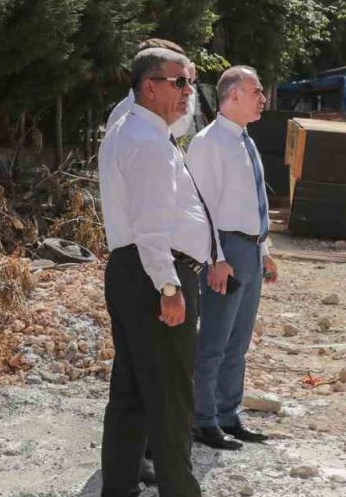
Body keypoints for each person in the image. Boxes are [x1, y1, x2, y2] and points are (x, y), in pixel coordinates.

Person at [98, 48, 233, 497]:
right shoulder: (147, 141)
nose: (187, 91)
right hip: (156, 274)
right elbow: (150, 229)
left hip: (137, 271)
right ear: (149, 86)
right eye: (179, 82)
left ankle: (119, 488)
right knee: (172, 396)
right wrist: (170, 287)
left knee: (133, 393)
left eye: (190, 83)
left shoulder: (138, 131)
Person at [186, 65, 280, 450]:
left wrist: (265, 250)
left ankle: (228, 413)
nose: (263, 98)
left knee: (238, 340)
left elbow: (254, 202)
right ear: (234, 95)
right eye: (256, 91)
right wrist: (216, 258)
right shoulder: (209, 143)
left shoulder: (245, 140)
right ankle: (202, 419)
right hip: (225, 248)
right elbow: (202, 207)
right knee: (213, 339)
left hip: (250, 249)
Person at [105, 38, 197, 137]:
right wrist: (188, 80)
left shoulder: (131, 110)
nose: (189, 90)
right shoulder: (133, 117)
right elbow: (179, 127)